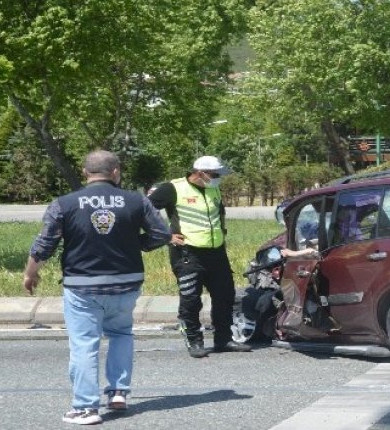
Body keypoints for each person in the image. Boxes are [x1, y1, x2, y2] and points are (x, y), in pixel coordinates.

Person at [23, 150, 171, 425]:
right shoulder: (136, 200)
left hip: (82, 285)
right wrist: (136, 244)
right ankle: (118, 392)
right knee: (121, 333)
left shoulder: (64, 203)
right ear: (116, 172)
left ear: (84, 173)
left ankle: (85, 408)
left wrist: (30, 274)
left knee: (84, 344)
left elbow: (45, 244)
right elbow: (162, 234)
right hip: (126, 283)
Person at [147, 156, 252, 358]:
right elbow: (144, 211)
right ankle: (194, 341)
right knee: (191, 300)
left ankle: (224, 339)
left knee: (225, 296)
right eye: (214, 175)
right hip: (188, 254)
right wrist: (165, 236)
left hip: (216, 252)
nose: (217, 179)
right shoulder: (172, 188)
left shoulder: (214, 189)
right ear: (199, 172)